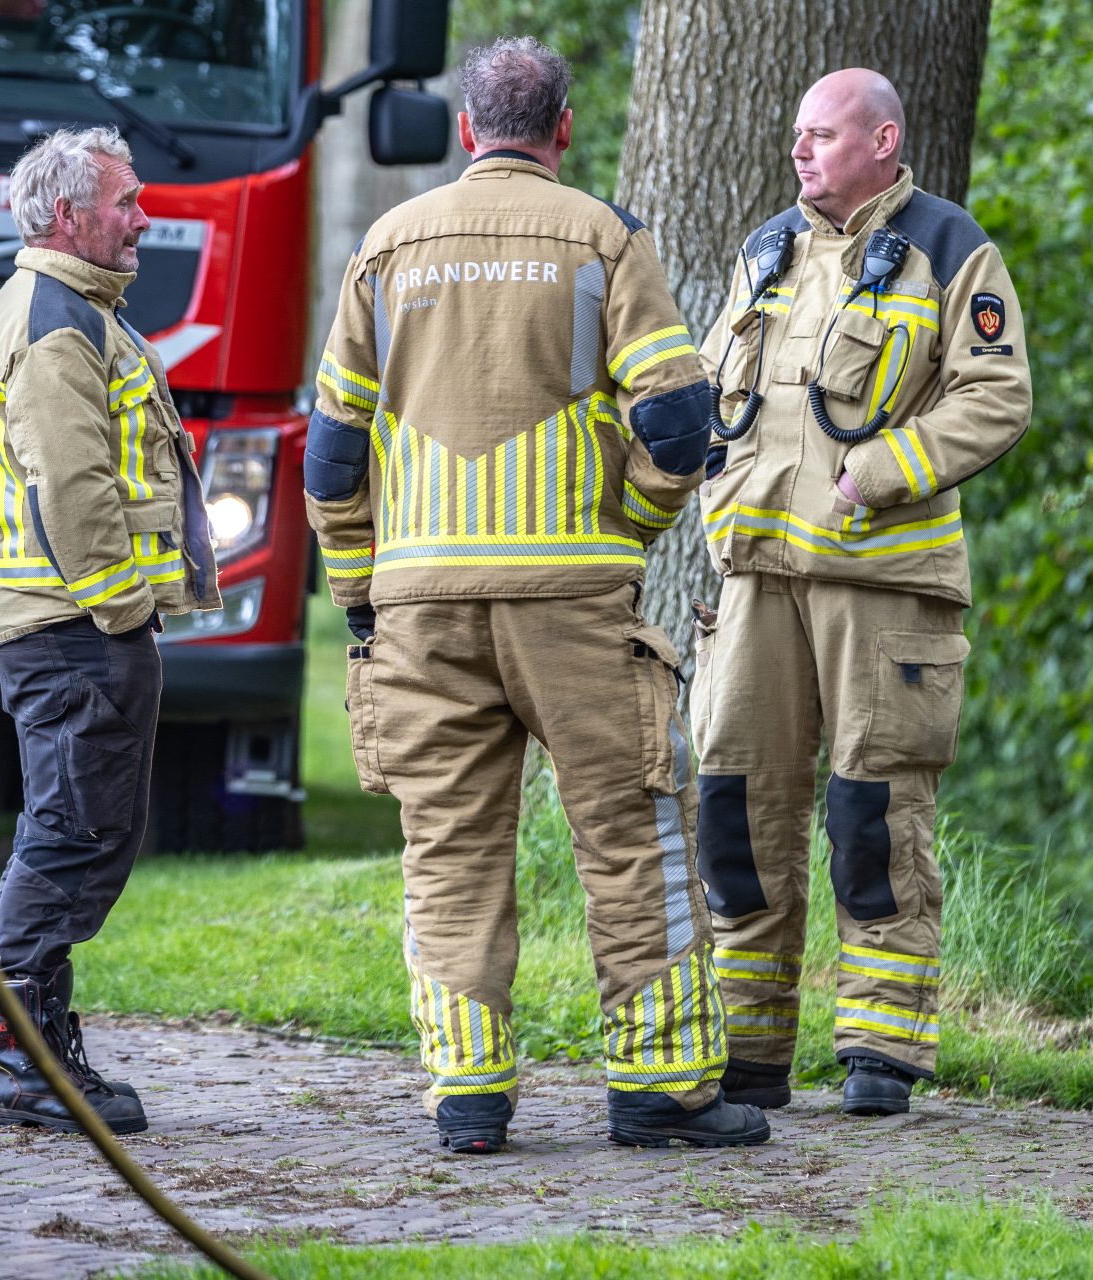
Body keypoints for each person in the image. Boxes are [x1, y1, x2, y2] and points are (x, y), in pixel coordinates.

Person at [307, 36, 769, 1153]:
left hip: (421, 605)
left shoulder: (386, 246)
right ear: (563, 128)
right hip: (572, 602)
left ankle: (467, 1095)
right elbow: (679, 426)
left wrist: (362, 591)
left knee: (449, 849)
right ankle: (660, 1087)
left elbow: (331, 453)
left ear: (468, 129)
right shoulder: (603, 237)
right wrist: (628, 529)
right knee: (633, 837)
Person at [693, 69, 1031, 1117]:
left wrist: (873, 474)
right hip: (756, 579)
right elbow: (715, 393)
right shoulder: (765, 249)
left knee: (874, 814)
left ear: (883, 141)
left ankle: (882, 1048)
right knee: (738, 808)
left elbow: (997, 396)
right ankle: (750, 1049)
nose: (800, 151)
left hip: (882, 582)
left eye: (823, 135)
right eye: (797, 134)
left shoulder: (948, 245)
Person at [0, 126, 220, 1135]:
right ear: (68, 215)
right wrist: (121, 613)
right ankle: (22, 1067)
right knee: (72, 834)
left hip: (68, 626)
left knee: (79, 830)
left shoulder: (70, 309)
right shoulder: (56, 324)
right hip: (72, 628)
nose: (142, 218)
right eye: (126, 201)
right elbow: (71, 489)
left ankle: (35, 1053)